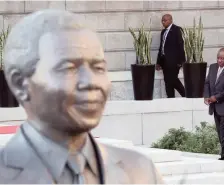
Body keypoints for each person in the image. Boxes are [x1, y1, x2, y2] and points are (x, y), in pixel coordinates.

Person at [0, 9, 163, 184]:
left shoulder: (141, 171)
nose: (91, 82)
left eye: (98, 68)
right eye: (68, 68)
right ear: (20, 84)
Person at [156, 14, 185, 98]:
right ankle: (170, 99)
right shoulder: (163, 32)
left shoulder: (177, 30)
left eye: (165, 20)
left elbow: (180, 45)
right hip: (165, 61)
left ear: (171, 20)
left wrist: (181, 62)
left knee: (173, 79)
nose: (163, 22)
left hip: (174, 62)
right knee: (167, 81)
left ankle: (186, 95)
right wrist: (158, 62)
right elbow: (161, 47)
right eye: (162, 20)